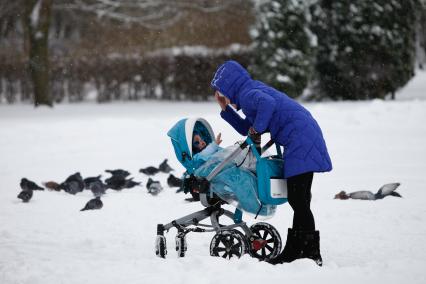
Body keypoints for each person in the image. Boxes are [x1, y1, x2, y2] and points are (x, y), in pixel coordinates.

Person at [211, 60, 332, 266]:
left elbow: (268, 105)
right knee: (299, 199)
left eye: (224, 94)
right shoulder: (250, 92)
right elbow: (246, 128)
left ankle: (308, 252)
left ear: (230, 87)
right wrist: (225, 110)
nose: (226, 98)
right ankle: (299, 250)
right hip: (302, 137)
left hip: (299, 140)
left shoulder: (249, 94)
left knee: (299, 200)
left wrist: (257, 130)